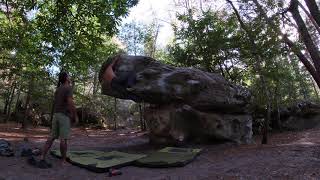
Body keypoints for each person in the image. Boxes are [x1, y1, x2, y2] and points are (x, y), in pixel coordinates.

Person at [40, 72, 78, 167]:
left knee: (51, 137)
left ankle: (42, 156)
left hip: (56, 115)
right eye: (68, 76)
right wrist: (75, 115)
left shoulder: (58, 89)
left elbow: (56, 103)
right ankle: (63, 161)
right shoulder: (68, 88)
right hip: (64, 116)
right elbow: (70, 102)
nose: (70, 77)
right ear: (66, 78)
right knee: (63, 139)